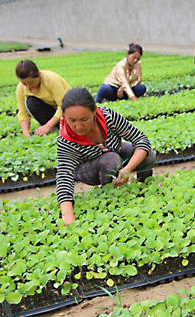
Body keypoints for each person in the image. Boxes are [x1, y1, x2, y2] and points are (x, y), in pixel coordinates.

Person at [57, 88, 156, 225]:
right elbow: (64, 176)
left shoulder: (108, 117)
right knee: (111, 158)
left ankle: (143, 187)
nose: (78, 126)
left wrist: (127, 169)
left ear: (94, 111)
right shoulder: (66, 139)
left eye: (84, 119)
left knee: (148, 154)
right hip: (88, 169)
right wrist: (68, 217)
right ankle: (110, 199)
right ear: (64, 116)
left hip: (112, 151)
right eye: (72, 120)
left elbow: (141, 139)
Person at [15, 60, 71, 137]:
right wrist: (26, 133)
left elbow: (64, 106)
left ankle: (60, 127)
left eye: (31, 82)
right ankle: (55, 128)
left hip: (70, 111)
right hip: (53, 113)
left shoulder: (51, 79)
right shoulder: (21, 88)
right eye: (24, 83)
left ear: (39, 75)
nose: (28, 86)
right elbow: (23, 113)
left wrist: (48, 126)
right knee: (30, 102)